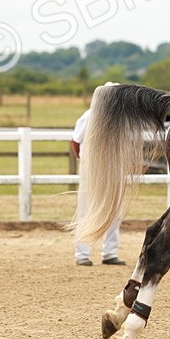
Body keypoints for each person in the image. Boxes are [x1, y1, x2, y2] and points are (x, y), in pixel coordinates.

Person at [72, 108, 124, 267]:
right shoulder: (89, 115)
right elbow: (76, 140)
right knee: (86, 209)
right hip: (92, 167)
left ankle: (109, 253)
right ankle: (83, 254)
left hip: (113, 166)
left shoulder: (121, 117)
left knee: (116, 210)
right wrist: (83, 159)